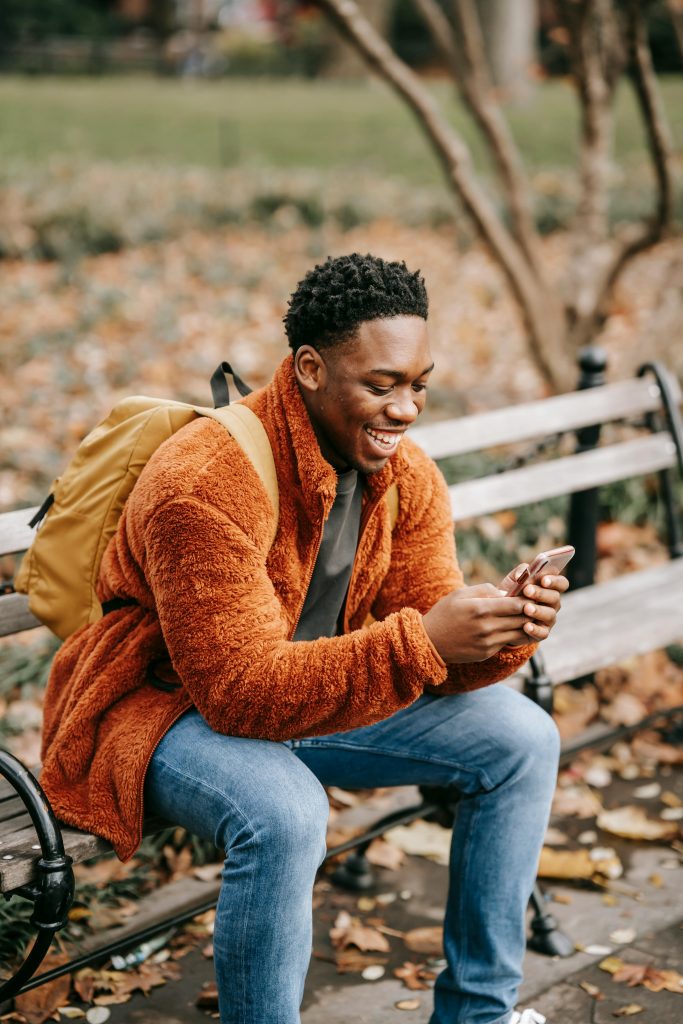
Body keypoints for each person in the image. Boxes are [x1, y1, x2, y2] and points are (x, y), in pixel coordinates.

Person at [40, 253, 567, 1024]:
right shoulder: (203, 481)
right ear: (312, 368)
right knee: (285, 811)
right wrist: (422, 641)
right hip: (160, 711)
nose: (404, 409)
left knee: (521, 737)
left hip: (308, 694)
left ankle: (478, 1015)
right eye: (379, 385)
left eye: (417, 384)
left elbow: (427, 635)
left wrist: (497, 631)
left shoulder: (404, 474)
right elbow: (236, 693)